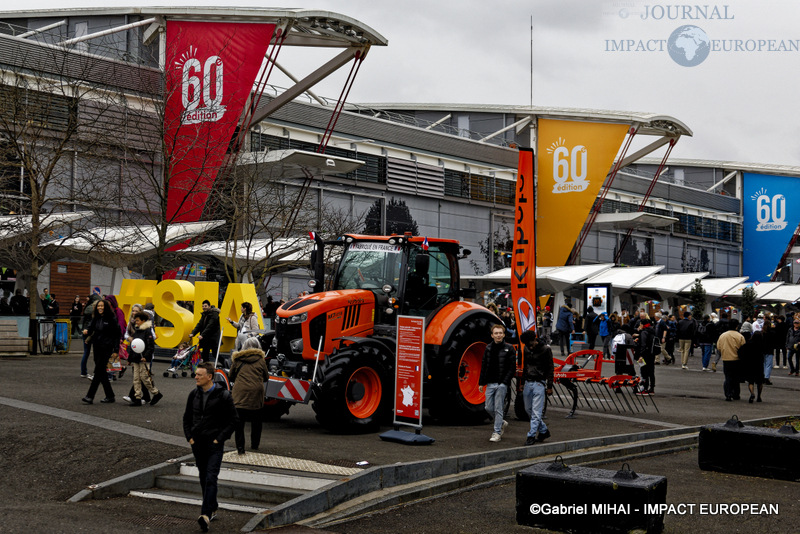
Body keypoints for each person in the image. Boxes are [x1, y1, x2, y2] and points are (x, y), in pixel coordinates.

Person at [183, 362, 238, 531]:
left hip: (214, 444)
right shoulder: (194, 394)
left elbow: (234, 420)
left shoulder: (223, 395)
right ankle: (213, 506)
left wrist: (219, 439)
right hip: (197, 443)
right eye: (196, 374)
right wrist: (189, 438)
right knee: (203, 477)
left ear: (209, 377)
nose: (196, 377)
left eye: (199, 375)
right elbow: (187, 418)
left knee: (210, 477)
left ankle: (205, 515)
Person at [228, 337, 270, 453]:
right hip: (256, 393)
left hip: (240, 392)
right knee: (256, 421)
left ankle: (240, 448)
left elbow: (231, 376)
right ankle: (255, 445)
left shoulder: (238, 359)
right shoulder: (261, 360)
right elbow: (266, 377)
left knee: (239, 422)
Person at [478, 324, 516, 443]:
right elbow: (484, 365)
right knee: (488, 407)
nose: (498, 335)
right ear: (492, 335)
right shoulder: (488, 348)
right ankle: (501, 423)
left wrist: (505, 382)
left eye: (500, 333)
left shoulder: (509, 349)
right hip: (490, 383)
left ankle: (497, 433)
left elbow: (512, 367)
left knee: (498, 408)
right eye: (496, 333)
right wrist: (481, 382)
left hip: (501, 383)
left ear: (504, 335)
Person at [81, 299, 121, 404]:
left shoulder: (112, 319)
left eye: (102, 306)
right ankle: (110, 396)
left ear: (106, 307)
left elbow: (117, 334)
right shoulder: (96, 318)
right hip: (97, 347)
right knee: (102, 372)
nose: (100, 308)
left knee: (98, 371)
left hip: (106, 348)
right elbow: (90, 328)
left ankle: (90, 396)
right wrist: (86, 331)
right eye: (99, 306)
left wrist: (116, 350)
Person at [519, 330, 553, 446]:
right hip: (528, 381)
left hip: (539, 383)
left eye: (531, 344)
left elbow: (550, 368)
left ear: (535, 339)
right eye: (528, 345)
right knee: (529, 410)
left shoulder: (546, 350)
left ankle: (531, 435)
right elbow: (525, 366)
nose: (530, 347)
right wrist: (522, 382)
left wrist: (549, 386)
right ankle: (543, 431)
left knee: (535, 412)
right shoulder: (527, 348)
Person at [128, 312, 162, 407]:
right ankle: (137, 398)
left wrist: (146, 356)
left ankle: (156, 393)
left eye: (138, 320)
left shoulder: (147, 331)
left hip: (143, 359)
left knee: (144, 377)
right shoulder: (137, 331)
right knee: (136, 379)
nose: (136, 322)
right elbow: (134, 345)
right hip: (136, 359)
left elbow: (151, 346)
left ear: (143, 321)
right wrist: (130, 358)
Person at [717, 319, 745, 402]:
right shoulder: (740, 336)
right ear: (737, 326)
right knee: (736, 377)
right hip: (737, 359)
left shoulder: (723, 335)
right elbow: (743, 347)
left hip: (726, 358)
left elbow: (718, 347)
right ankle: (736, 394)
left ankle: (728, 394)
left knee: (728, 377)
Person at [190, 300, 221, 365]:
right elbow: (199, 324)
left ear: (209, 306)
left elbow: (210, 325)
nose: (204, 307)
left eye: (205, 306)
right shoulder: (204, 314)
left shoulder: (214, 314)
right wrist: (193, 333)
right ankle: (206, 369)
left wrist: (202, 335)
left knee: (215, 354)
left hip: (213, 338)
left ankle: (226, 364)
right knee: (205, 354)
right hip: (206, 338)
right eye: (203, 306)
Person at [739, 330, 766, 403]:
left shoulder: (748, 344)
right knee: (760, 381)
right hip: (759, 364)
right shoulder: (762, 344)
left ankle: (752, 393)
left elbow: (741, 352)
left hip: (750, 364)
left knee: (751, 381)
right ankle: (759, 396)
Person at [636, 319, 657, 395]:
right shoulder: (652, 331)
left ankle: (644, 389)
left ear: (643, 325)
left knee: (644, 371)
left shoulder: (644, 332)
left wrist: (641, 355)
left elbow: (643, 344)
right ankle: (651, 388)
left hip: (645, 354)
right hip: (652, 353)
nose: (639, 326)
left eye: (640, 324)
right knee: (651, 371)